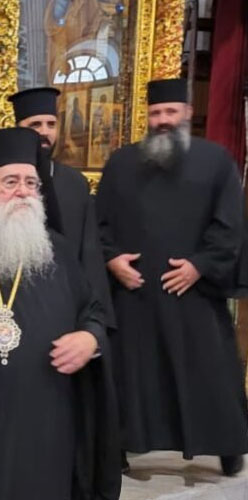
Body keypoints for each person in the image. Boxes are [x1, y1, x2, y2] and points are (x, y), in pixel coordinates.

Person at [0, 127, 121, 500]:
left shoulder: (59, 251)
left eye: (31, 183)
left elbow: (94, 310)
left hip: (48, 417)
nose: (23, 191)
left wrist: (90, 339)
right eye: (11, 182)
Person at [96, 77, 248, 475]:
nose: (162, 120)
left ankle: (226, 445)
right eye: (155, 113)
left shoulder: (216, 162)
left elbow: (230, 224)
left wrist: (200, 265)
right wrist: (112, 260)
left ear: (186, 113)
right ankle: (123, 445)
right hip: (135, 295)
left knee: (210, 372)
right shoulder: (121, 163)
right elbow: (99, 225)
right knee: (131, 375)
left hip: (195, 294)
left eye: (170, 112)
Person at [8, 86, 115, 328]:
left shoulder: (74, 183)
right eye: (35, 125)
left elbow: (89, 255)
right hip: (12, 303)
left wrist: (94, 325)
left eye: (51, 124)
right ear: (18, 128)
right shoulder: (2, 182)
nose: (45, 132)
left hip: (65, 305)